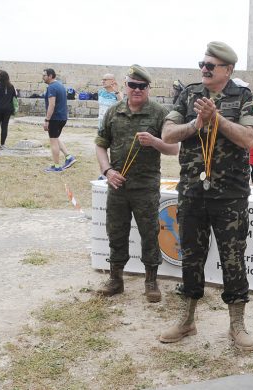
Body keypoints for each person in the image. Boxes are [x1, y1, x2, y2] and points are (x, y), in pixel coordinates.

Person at [159, 41, 253, 351]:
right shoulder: (188, 94)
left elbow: (249, 139)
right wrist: (196, 122)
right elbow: (167, 134)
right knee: (190, 257)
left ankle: (237, 325)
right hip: (191, 192)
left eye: (211, 66)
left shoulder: (242, 97)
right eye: (202, 64)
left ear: (227, 70)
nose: (204, 69)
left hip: (230, 196)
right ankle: (187, 320)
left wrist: (217, 119)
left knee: (233, 260)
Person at [95, 64, 178, 302]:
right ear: (125, 86)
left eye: (142, 86)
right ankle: (115, 279)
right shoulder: (113, 112)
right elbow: (100, 144)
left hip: (145, 186)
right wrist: (107, 170)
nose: (137, 90)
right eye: (132, 85)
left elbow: (174, 148)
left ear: (148, 88)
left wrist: (155, 142)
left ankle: (151, 281)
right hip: (118, 186)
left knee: (149, 233)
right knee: (116, 231)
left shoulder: (160, 114)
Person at [42, 68, 76, 172]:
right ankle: (69, 157)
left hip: (55, 118)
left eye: (44, 75)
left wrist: (47, 120)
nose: (42, 77)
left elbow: (51, 105)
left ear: (50, 76)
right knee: (55, 138)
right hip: (62, 117)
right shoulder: (60, 85)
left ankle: (57, 167)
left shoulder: (52, 87)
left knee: (53, 141)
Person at [0, 70, 17, 150]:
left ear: (0, 77)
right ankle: (3, 145)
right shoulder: (11, 86)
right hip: (7, 109)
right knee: (4, 127)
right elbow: (14, 97)